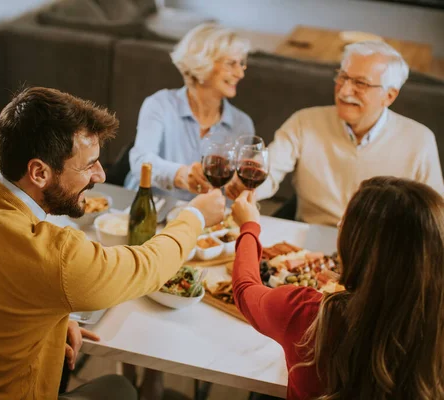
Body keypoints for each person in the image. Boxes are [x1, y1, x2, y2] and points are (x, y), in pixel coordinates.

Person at [0, 87, 226, 399]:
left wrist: (51, 319)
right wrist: (194, 217)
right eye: (88, 165)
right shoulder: (59, 257)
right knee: (119, 388)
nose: (100, 175)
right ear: (39, 172)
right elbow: (147, 266)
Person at [230, 177, 444, 399]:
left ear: (355, 247)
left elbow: (245, 289)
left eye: (343, 224)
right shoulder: (433, 331)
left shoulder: (308, 315)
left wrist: (249, 227)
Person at [225, 40, 444, 226]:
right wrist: (244, 185)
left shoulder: (419, 140)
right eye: (343, 77)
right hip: (311, 239)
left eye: (360, 83)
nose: (345, 91)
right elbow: (268, 171)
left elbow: (435, 215)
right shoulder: (305, 122)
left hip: (380, 249)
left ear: (389, 96)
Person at [125, 23, 255, 201]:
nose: (240, 73)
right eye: (231, 63)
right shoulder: (160, 104)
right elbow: (140, 161)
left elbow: (232, 193)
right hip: (148, 208)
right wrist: (182, 175)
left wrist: (238, 187)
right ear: (202, 63)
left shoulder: (242, 124)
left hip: (203, 220)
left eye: (241, 64)